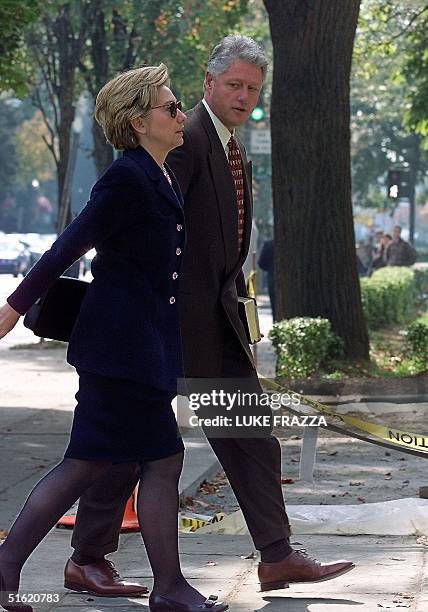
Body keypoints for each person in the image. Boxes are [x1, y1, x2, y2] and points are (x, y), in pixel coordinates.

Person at [61, 35, 354, 597]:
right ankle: (87, 557)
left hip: (217, 321)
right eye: (235, 85)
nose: (244, 97)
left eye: (252, 89)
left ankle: (276, 555)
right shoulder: (188, 140)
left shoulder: (230, 146)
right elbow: (147, 222)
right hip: (167, 320)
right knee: (131, 442)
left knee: (252, 436)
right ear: (209, 84)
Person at [0, 65, 228, 612]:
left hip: (141, 349)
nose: (180, 116)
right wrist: (10, 310)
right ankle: (167, 588)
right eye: (170, 108)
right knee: (125, 461)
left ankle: (11, 568)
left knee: (124, 462)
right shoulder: (126, 178)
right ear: (137, 121)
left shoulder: (159, 175)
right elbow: (65, 248)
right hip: (119, 352)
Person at [258, 238, 275, 320]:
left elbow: (261, 263)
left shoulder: (268, 244)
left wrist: (269, 269)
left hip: (272, 278)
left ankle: (276, 325)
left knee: (274, 306)